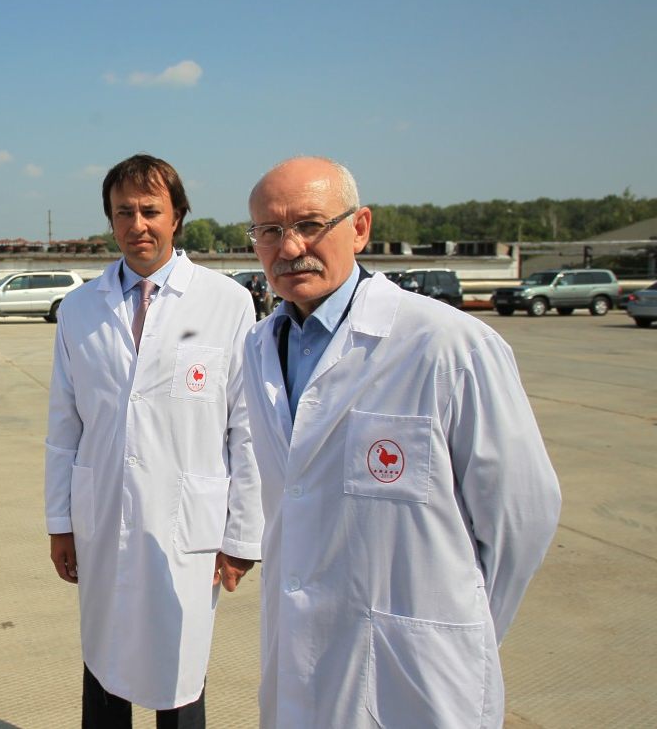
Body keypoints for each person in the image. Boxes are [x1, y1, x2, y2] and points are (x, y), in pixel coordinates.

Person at [242, 156, 561, 728]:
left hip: (416, 676)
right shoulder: (260, 346)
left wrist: (456, 630)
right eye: (269, 230)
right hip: (298, 659)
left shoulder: (448, 345)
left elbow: (522, 515)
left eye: (310, 225)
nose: (289, 248)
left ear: (360, 227)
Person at [45, 154, 263, 728]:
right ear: (110, 221)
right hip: (102, 515)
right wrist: (60, 522)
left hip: (186, 524)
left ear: (177, 216)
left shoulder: (227, 303)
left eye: (150, 210)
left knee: (179, 669)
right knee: (104, 661)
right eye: (124, 212)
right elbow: (65, 425)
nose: (137, 224)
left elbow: (247, 429)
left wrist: (242, 535)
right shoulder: (80, 308)